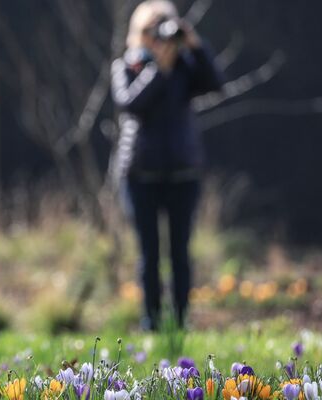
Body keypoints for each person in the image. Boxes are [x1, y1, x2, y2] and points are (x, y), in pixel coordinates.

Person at [111, 0, 224, 331]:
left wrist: (195, 46)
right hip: (140, 173)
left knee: (180, 252)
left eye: (165, 27)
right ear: (138, 33)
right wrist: (157, 70)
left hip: (182, 171)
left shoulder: (186, 67)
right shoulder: (127, 66)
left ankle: (181, 319)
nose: (158, 37)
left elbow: (217, 83)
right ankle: (151, 321)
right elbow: (129, 104)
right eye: (151, 29)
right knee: (149, 253)